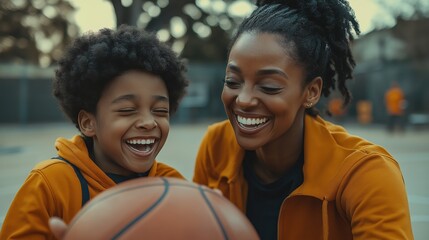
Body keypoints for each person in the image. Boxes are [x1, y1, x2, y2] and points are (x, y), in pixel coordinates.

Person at [193, 0, 414, 239]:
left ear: (311, 92)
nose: (244, 100)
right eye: (232, 82)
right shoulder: (216, 146)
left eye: (268, 86)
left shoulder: (366, 173)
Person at [0, 25, 188, 240]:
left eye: (160, 111)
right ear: (88, 123)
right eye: (127, 110)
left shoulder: (174, 185)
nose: (148, 122)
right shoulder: (50, 184)